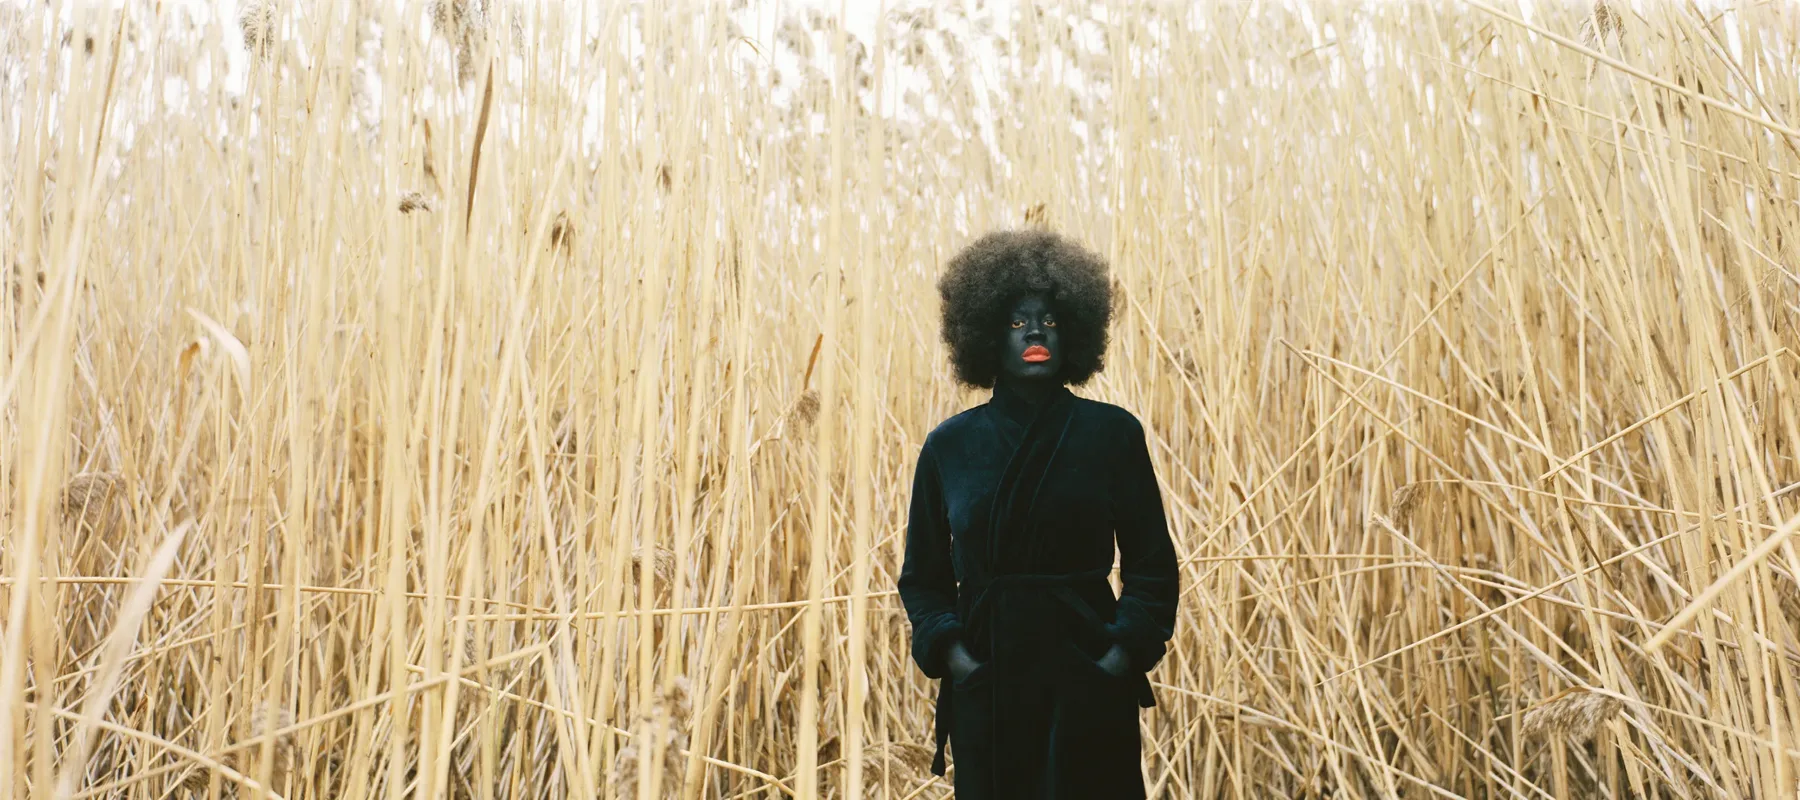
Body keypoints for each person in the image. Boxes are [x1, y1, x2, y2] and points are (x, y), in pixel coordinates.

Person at [898, 229, 1181, 799]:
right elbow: (923, 579)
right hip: (991, 681)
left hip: (1089, 674)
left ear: (1074, 330)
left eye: (1049, 320)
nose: (1033, 331)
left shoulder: (1113, 434)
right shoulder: (948, 447)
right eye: (1015, 321)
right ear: (982, 336)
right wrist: (957, 658)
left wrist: (1119, 652)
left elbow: (1153, 566)